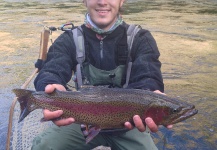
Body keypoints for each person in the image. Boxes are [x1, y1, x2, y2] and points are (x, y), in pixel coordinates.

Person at [32, 0, 172, 149]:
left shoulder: (140, 38)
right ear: (84, 1)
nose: (102, 2)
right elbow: (51, 69)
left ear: (121, 1)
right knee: (43, 146)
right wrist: (49, 84)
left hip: (130, 125)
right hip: (81, 120)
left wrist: (150, 92)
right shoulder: (68, 40)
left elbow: (148, 76)